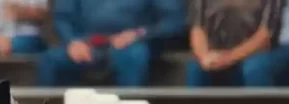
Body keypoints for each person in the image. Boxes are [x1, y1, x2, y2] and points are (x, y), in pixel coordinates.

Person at [37, 0, 186, 87]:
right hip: (87, 44)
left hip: (133, 44)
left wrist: (138, 34)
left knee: (132, 56)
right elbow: (62, 17)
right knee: (51, 59)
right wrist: (72, 41)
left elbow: (174, 22)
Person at [186, 0, 289, 87]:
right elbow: (197, 27)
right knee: (197, 68)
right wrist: (204, 57)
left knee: (255, 68)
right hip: (216, 53)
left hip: (253, 53)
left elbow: (266, 35)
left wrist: (227, 58)